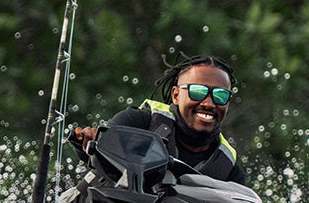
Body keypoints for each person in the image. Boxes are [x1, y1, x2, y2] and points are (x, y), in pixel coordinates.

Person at [69, 55, 248, 185]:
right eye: (198, 92)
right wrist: (86, 143)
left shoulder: (227, 168)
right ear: (176, 95)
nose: (209, 103)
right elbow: (100, 154)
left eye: (220, 95)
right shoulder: (140, 123)